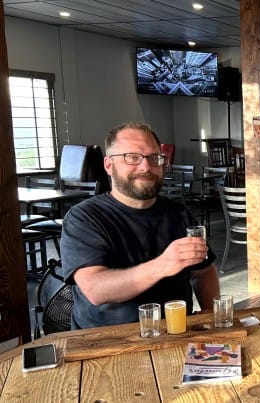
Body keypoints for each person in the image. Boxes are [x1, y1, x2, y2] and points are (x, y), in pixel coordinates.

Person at [60, 122, 220, 329]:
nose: (146, 166)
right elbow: (96, 289)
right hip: (108, 341)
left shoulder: (178, 213)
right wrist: (164, 264)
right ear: (109, 165)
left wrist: (210, 314)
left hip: (175, 332)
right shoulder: (84, 218)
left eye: (154, 158)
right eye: (132, 157)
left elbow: (203, 272)